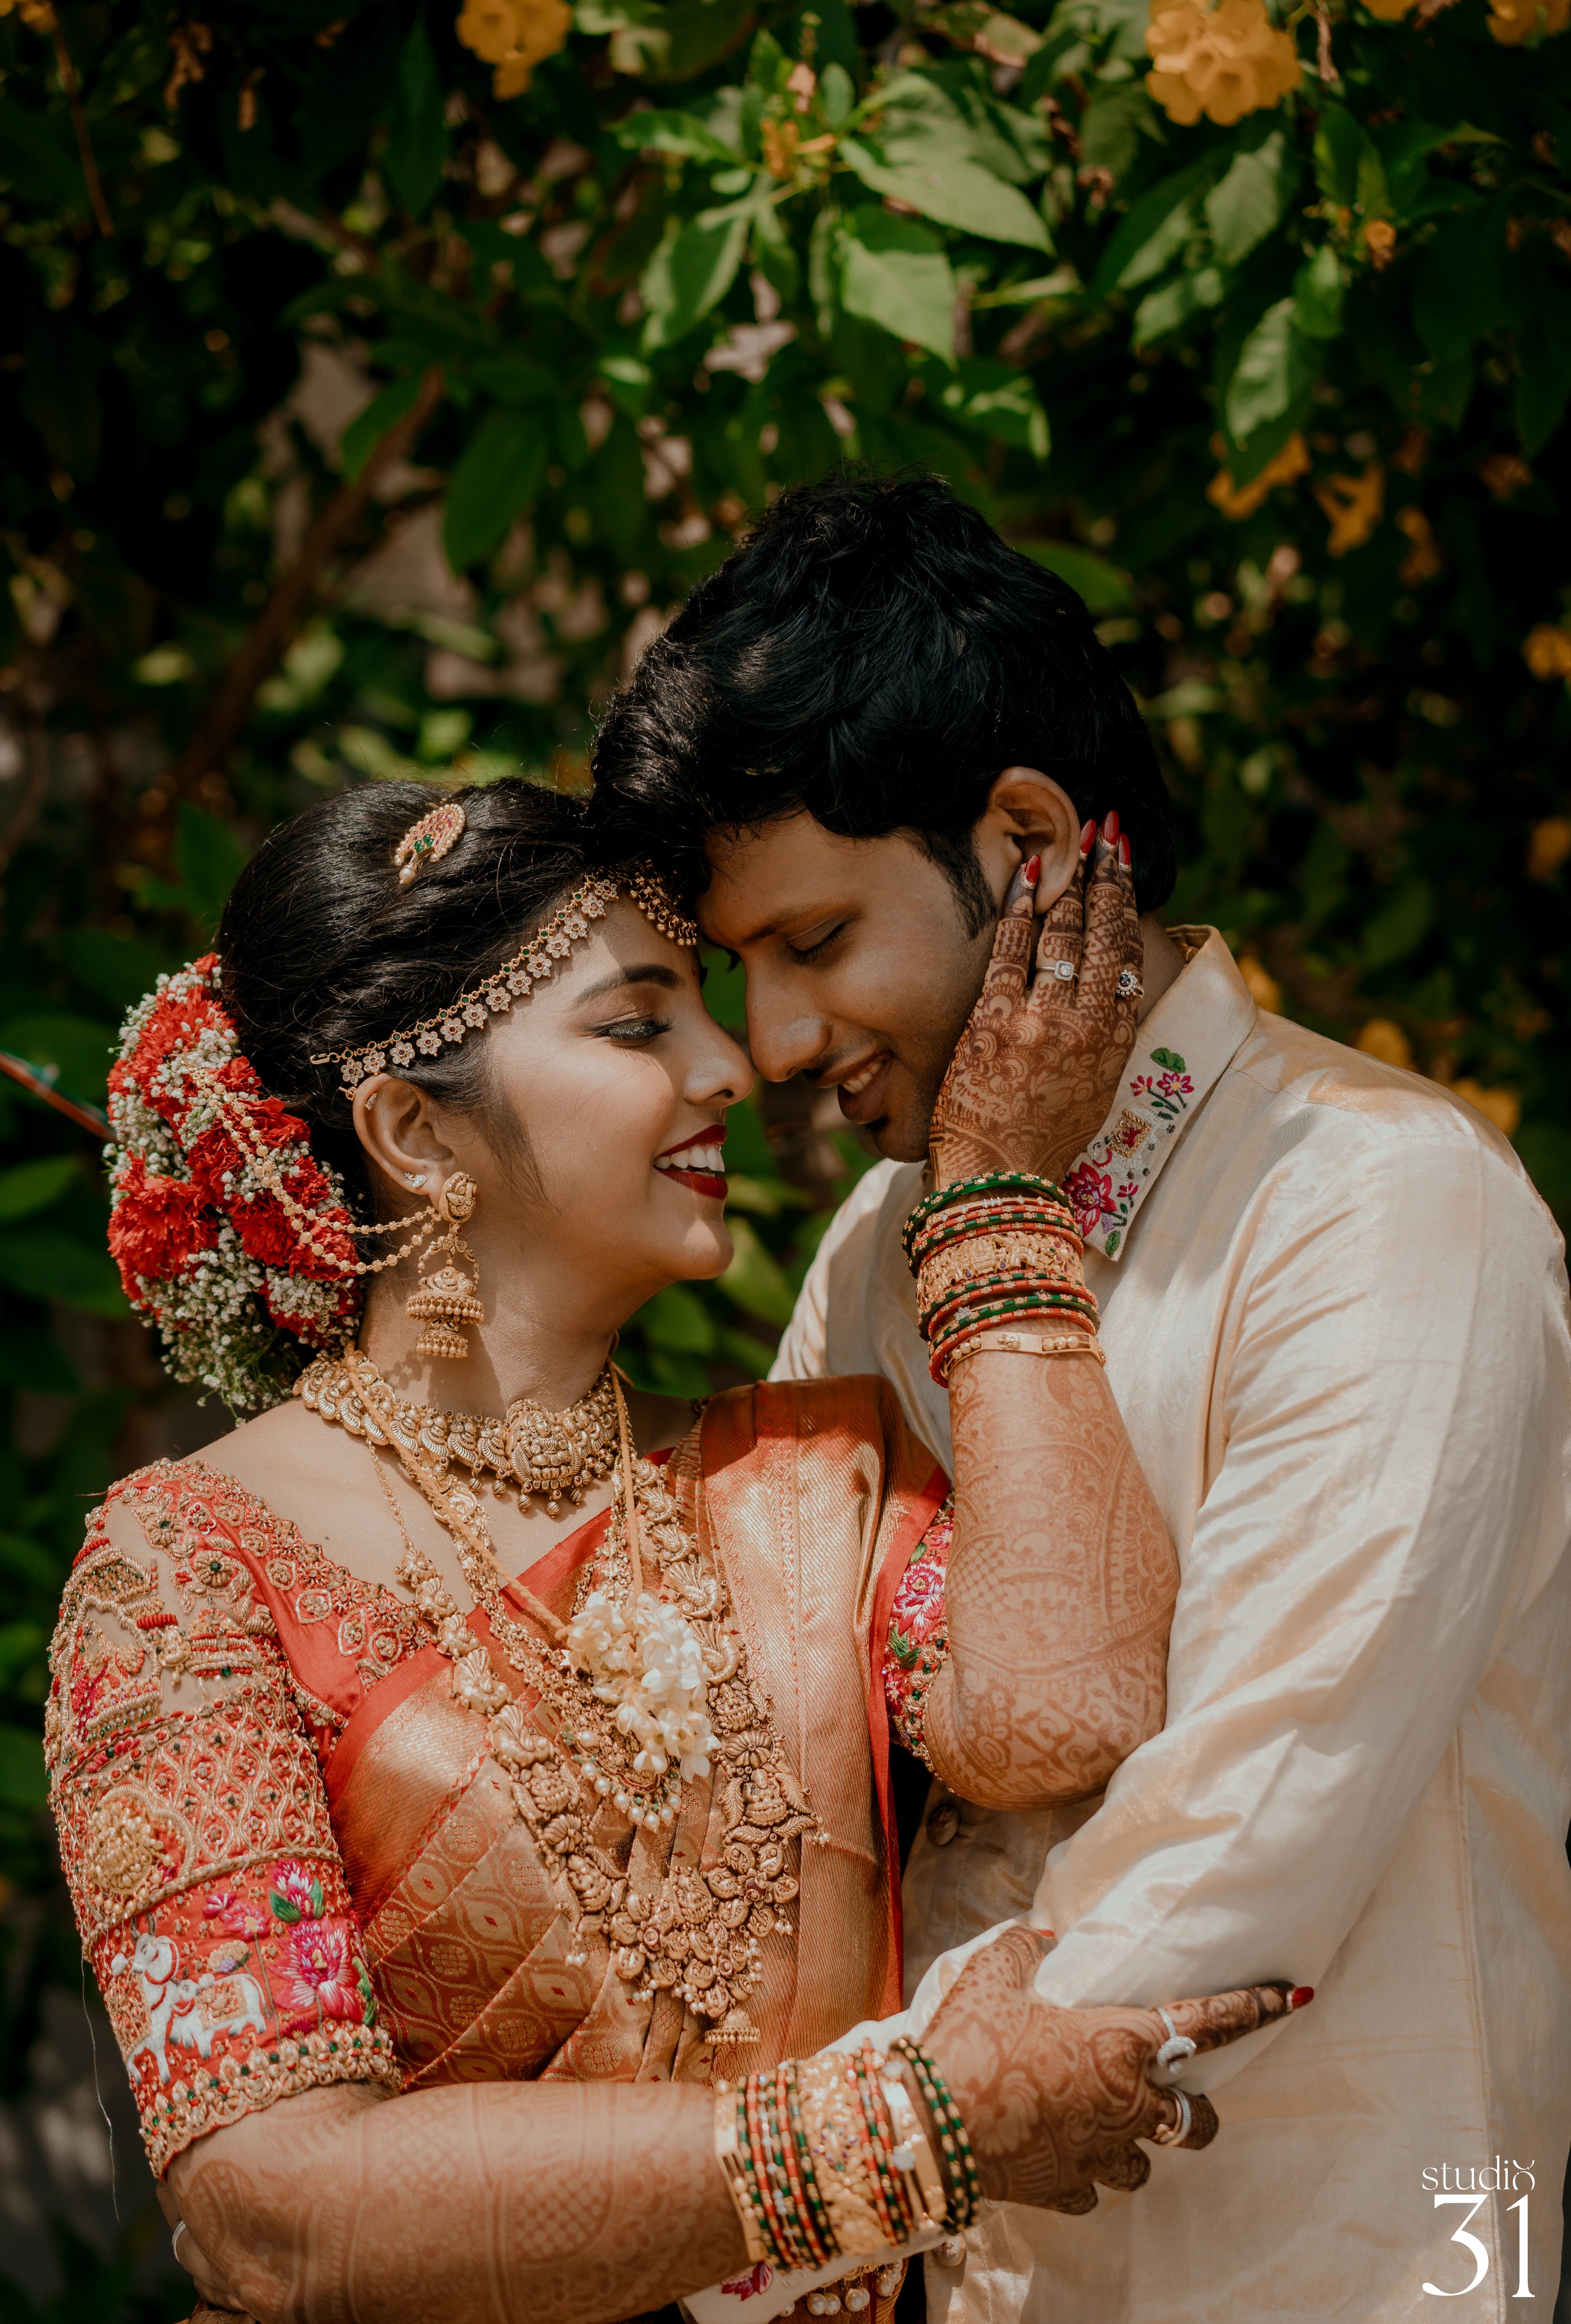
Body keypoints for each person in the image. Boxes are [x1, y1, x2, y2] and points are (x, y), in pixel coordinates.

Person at [48, 777, 1297, 2324]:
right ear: (413, 1130)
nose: (729, 1068)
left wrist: (992, 1197)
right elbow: (274, 2208)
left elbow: (1070, 1708)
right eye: (637, 1027)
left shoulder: (806, 1477)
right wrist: (915, 2133)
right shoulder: (188, 1572)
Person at [589, 471, 1571, 2321]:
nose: (778, 1042)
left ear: (1028, 838)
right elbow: (811, 1773)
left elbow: (1252, 1824)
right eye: (739, 970)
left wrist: (784, 2195)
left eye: (812, 939)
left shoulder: (1380, 1196)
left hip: (1362, 2258)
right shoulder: (879, 1254)